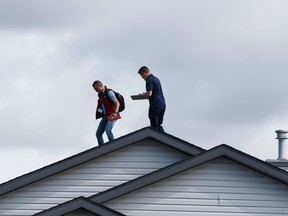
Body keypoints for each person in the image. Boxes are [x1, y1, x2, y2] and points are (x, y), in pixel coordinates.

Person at [137, 66, 166, 132]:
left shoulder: (149, 80)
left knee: (154, 124)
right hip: (162, 104)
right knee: (158, 124)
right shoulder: (156, 79)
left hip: (155, 104)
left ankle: (155, 139)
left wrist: (141, 95)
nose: (142, 77)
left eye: (142, 75)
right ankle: (164, 138)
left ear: (144, 73)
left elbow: (149, 93)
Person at [92, 80, 121, 145]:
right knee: (98, 134)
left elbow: (117, 103)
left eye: (97, 89)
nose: (96, 91)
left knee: (108, 130)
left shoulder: (109, 92)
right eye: (95, 90)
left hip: (113, 114)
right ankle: (102, 149)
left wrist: (115, 113)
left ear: (100, 86)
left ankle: (114, 146)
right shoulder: (101, 96)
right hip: (106, 116)